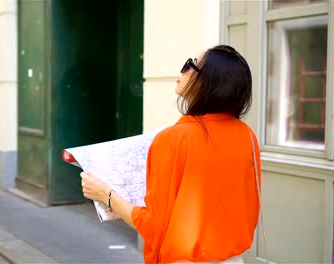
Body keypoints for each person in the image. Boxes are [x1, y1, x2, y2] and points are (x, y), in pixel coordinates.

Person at [80, 45, 261, 263]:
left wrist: (106, 196)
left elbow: (154, 227)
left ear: (208, 82)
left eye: (190, 65)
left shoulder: (174, 139)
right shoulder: (247, 136)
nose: (182, 70)